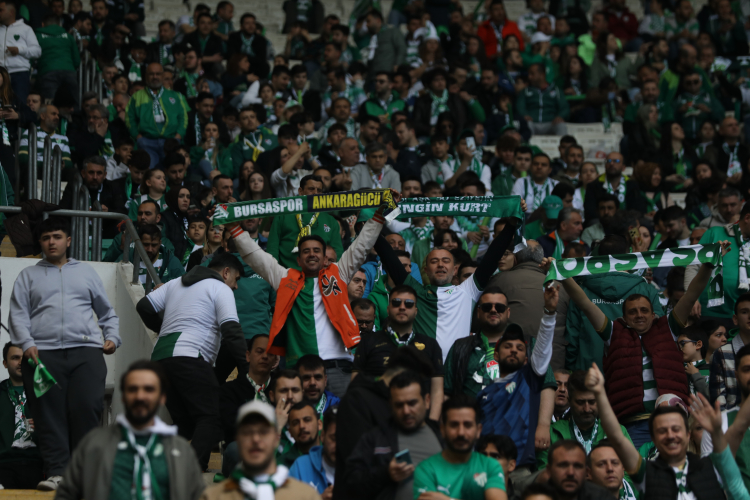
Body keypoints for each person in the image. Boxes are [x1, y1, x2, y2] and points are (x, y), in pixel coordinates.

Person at [558, 240, 730, 447]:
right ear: (624, 317)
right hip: (632, 425)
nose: (639, 315)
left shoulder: (668, 327)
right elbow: (585, 303)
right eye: (632, 312)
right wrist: (561, 273)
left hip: (672, 421)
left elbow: (692, 293)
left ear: (653, 313)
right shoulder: (613, 332)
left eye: (644, 310)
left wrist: (709, 264)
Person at [230, 197, 394, 396]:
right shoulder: (285, 278)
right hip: (300, 370)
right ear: (298, 259)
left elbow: (361, 246)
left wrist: (378, 216)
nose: (312, 254)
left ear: (325, 258)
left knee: (343, 415)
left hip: (338, 366)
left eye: (317, 251)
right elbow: (256, 256)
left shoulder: (339, 273)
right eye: (306, 251)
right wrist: (233, 227)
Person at [9, 217, 120, 491]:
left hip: (86, 352)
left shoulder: (86, 272)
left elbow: (106, 312)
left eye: (57, 237)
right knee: (49, 415)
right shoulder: (28, 276)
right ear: (40, 242)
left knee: (87, 408)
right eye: (46, 238)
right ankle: (57, 473)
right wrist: (26, 343)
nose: (51, 242)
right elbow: (18, 315)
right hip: (41, 356)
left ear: (68, 241)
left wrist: (112, 337)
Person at [135, 252, 249, 471]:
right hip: (190, 357)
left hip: (159, 361)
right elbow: (232, 331)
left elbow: (144, 307)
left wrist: (162, 328)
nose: (235, 286)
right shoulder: (220, 288)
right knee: (211, 417)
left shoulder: (174, 283)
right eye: (236, 279)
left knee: (186, 424)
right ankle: (191, 471)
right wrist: (247, 367)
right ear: (226, 272)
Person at [375, 200, 523, 361]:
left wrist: (511, 225)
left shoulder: (467, 290)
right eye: (434, 261)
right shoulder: (415, 292)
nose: (440, 265)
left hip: (458, 367)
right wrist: (373, 221)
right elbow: (389, 258)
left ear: (455, 270)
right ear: (426, 270)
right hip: (423, 367)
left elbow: (492, 256)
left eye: (446, 261)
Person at [54, 361, 205, 500]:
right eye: (133, 389)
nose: (140, 396)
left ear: (162, 398)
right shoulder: (94, 444)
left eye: (149, 389)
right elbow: (65, 495)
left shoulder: (181, 450)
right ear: (123, 397)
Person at [585, 363, 725, 500]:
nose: (670, 435)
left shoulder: (709, 468)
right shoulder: (647, 474)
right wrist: (599, 393)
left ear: (688, 434)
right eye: (662, 431)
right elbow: (617, 438)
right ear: (653, 438)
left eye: (676, 429)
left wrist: (717, 432)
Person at [334, 346, 433, 500]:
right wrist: (388, 471)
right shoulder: (356, 402)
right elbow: (355, 471)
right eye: (416, 381)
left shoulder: (392, 404)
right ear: (404, 377)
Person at [478, 283, 558, 471]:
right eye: (507, 346)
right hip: (486, 470)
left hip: (521, 468)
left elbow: (543, 349)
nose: (514, 350)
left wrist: (549, 312)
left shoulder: (529, 380)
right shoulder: (483, 395)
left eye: (520, 348)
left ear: (526, 359)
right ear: (496, 355)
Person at [565, 235, 664, 372]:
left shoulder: (581, 292)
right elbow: (661, 333)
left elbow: (572, 338)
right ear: (628, 255)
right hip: (634, 374)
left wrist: (571, 370)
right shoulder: (646, 290)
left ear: (599, 257)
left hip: (589, 374)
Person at [344, 370, 443, 500]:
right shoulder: (376, 438)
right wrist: (386, 473)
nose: (406, 411)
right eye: (399, 405)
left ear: (427, 401)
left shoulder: (443, 436)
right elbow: (351, 482)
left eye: (412, 403)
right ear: (390, 405)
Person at [352, 284, 444, 419]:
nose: (402, 307)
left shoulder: (431, 345)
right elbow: (355, 384)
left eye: (409, 304)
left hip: (418, 421)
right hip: (376, 420)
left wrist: (432, 423)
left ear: (416, 311)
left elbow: (437, 390)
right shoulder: (368, 341)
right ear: (388, 309)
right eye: (396, 303)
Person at [202, 400, 321, 500]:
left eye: (263, 432)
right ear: (237, 439)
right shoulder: (213, 497)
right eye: (247, 432)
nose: (255, 439)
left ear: (276, 438)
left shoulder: (305, 496)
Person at [413, 396, 508, 500]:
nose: (461, 433)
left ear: (478, 430)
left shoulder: (490, 466)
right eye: (454, 425)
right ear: (442, 429)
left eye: (467, 425)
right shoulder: (426, 469)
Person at [536, 371, 633, 469]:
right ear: (570, 401)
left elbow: (631, 470)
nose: (587, 409)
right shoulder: (552, 433)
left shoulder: (616, 431)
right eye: (580, 402)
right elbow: (544, 471)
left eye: (592, 402)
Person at [444, 287, 523, 399]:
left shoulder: (525, 346)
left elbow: (544, 386)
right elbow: (445, 391)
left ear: (508, 312)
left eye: (500, 307)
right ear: (478, 312)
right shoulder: (460, 347)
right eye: (487, 307)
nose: (493, 310)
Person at [687, 198, 750, 327]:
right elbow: (693, 266)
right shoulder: (715, 233)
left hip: (743, 318)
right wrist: (691, 299)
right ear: (747, 218)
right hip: (707, 312)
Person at [126, 63, 189, 169]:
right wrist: (137, 136)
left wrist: (178, 135)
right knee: (151, 174)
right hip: (147, 142)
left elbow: (183, 117)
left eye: (158, 74)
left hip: (171, 142)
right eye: (151, 74)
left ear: (163, 75)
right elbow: (129, 118)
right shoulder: (137, 97)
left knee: (173, 172)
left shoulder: (175, 96)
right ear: (146, 76)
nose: (155, 77)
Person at [0, 343, 42, 489]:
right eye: (15, 358)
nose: (20, 362)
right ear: (5, 363)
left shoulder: (42, 392)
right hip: (4, 466)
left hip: (38, 465)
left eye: (24, 358)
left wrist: (44, 425)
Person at [290, 407, 337, 497]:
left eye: (344, 439)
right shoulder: (301, 466)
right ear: (322, 436)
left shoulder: (360, 468)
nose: (338, 445)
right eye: (333, 438)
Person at [583, 152, 645, 221]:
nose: (611, 163)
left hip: (626, 223)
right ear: (605, 165)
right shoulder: (594, 185)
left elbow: (638, 210)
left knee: (640, 226)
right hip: (602, 223)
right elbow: (590, 212)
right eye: (608, 161)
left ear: (623, 167)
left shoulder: (632, 185)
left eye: (616, 161)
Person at [0, 1, 41, 105]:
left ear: (11, 12)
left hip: (19, 73)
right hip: (1, 74)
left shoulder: (25, 29)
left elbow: (37, 51)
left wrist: (19, 50)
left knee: (20, 105)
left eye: (1, 10)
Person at [35, 14, 79, 108]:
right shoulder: (68, 36)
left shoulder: (37, 36)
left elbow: (31, 56)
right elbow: (76, 60)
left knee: (49, 105)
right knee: (72, 105)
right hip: (69, 72)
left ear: (43, 24)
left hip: (47, 72)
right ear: (60, 24)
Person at [517, 63, 569, 136]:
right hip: (533, 122)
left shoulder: (556, 90)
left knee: (561, 125)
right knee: (526, 125)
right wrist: (524, 115)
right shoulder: (525, 91)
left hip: (551, 122)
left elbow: (564, 107)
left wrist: (560, 116)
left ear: (542, 74)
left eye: (532, 74)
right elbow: (520, 106)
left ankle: (564, 144)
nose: (529, 77)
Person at [278, 401, 323, 467]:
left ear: (319, 425)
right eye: (296, 423)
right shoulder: (281, 465)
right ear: (290, 432)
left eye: (307, 420)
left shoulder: (333, 455)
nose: (301, 426)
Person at [364, 10, 406, 79]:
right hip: (372, 76)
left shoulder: (392, 31)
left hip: (388, 74)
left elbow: (401, 48)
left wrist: (397, 64)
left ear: (378, 21)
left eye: (368, 21)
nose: (366, 24)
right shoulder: (369, 37)